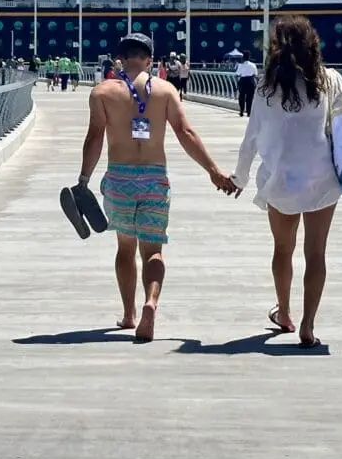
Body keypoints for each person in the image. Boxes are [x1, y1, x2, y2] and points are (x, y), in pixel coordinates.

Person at [78, 33, 236, 342]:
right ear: (150, 60)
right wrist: (214, 171)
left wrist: (83, 179)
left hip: (120, 179)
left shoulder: (102, 92)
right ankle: (151, 302)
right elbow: (185, 132)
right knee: (153, 251)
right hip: (154, 179)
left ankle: (128, 314)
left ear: (119, 59)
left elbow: (94, 137)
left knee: (125, 248)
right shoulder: (166, 90)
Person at [231, 16, 342, 349]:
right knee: (316, 253)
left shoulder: (267, 86)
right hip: (322, 178)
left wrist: (239, 177)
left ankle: (285, 313)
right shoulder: (329, 80)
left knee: (283, 249)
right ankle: (308, 325)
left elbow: (251, 138)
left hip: (281, 179)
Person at [235, 50, 258, 117]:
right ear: (249, 57)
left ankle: (241, 111)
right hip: (251, 81)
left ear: (243, 57)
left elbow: (237, 74)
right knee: (250, 98)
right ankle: (249, 112)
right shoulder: (253, 65)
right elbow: (255, 74)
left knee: (241, 97)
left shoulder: (240, 65)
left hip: (243, 81)